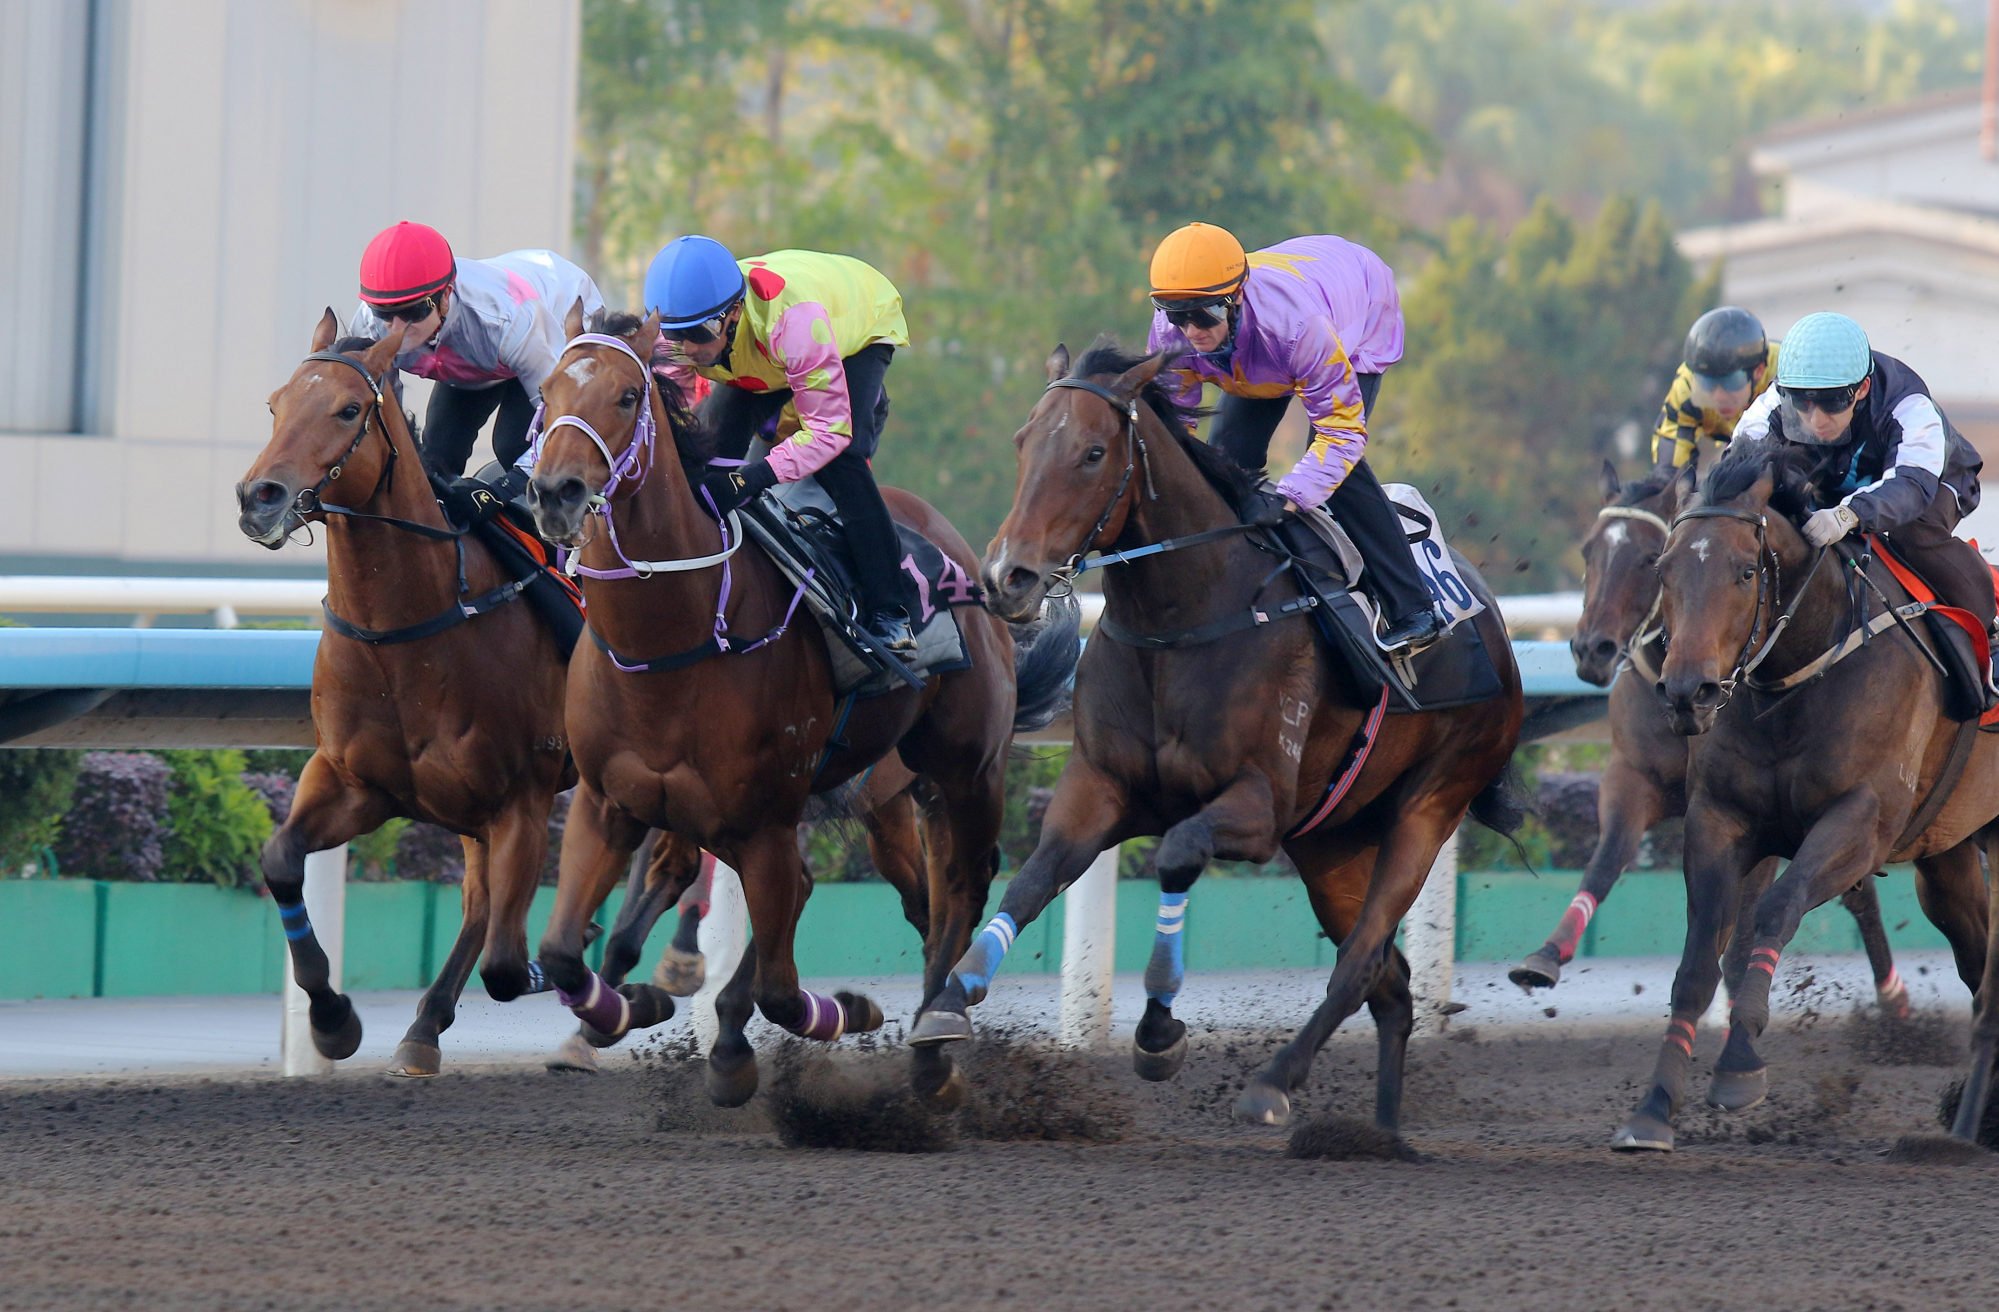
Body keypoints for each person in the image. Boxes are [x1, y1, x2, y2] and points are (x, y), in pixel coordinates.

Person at [1145, 221, 1439, 652]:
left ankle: (1413, 608)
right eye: (1178, 315)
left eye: (1203, 315)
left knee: (1336, 472)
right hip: (1265, 340)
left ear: (1234, 298)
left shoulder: (1299, 330)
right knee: (1227, 461)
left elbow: (1342, 435)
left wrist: (1287, 497)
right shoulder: (1170, 335)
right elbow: (1175, 432)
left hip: (1358, 306)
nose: (1191, 331)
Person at [644, 234, 920, 654]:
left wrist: (750, 479)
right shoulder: (684, 337)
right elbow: (683, 425)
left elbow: (828, 433)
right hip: (759, 356)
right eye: (674, 334)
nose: (688, 348)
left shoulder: (793, 323)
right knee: (712, 456)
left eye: (698, 334)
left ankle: (890, 609)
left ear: (733, 312)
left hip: (853, 329)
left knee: (841, 460)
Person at [1734, 311, 1991, 640]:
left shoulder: (1908, 403)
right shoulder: (1774, 401)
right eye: (1802, 402)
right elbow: (1738, 467)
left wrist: (1847, 514)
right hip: (1837, 484)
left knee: (1911, 534)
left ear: (1863, 387)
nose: (1816, 420)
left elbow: (1912, 483)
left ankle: (1989, 632)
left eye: (1832, 402)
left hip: (1933, 481)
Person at [346, 221, 605, 516]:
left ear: (446, 296)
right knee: (436, 458)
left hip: (554, 320)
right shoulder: (369, 325)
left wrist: (501, 489)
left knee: (512, 445)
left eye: (413, 311)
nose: (397, 329)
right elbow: (385, 414)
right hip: (477, 354)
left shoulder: (509, 321)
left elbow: (563, 419)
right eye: (385, 314)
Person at [1651, 306, 1780, 474]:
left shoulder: (1785, 375)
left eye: (1731, 382)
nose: (1718, 397)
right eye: (1707, 383)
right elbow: (1669, 472)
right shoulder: (1687, 387)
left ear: (1759, 372)